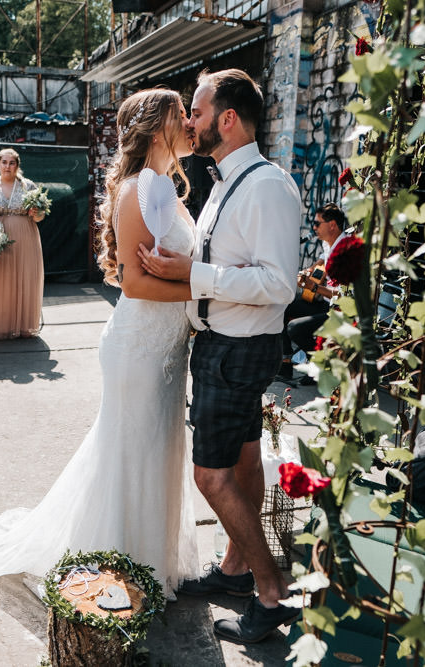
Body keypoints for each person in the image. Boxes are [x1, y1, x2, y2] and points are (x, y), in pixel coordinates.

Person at [0, 88, 200, 597]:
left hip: (168, 346)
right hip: (141, 348)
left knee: (158, 450)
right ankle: (119, 569)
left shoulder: (166, 188)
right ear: (158, 128)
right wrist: (205, 285)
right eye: (182, 115)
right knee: (132, 454)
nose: (193, 123)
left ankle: (149, 563)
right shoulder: (135, 191)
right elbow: (133, 282)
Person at [139, 69, 303, 643]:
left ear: (227, 119)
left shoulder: (266, 186)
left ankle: (271, 593)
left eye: (199, 111)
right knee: (241, 463)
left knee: (211, 477)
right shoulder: (228, 179)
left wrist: (194, 274)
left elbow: (279, 284)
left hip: (237, 350)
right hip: (221, 345)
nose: (190, 121)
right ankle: (236, 571)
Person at [0, 148, 45, 339]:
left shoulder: (28, 186)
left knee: (25, 277)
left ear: (17, 165)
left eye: (12, 163)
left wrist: (37, 213)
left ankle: (23, 325)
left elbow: (39, 216)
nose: (7, 166)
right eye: (4, 162)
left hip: (25, 237)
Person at [281, 203, 350, 386]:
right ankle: (286, 363)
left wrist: (313, 287)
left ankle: (320, 366)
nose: (314, 227)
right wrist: (310, 270)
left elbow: (343, 296)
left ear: (332, 225)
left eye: (318, 223)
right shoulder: (329, 244)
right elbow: (323, 257)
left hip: (338, 310)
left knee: (295, 328)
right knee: (283, 306)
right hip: (323, 302)